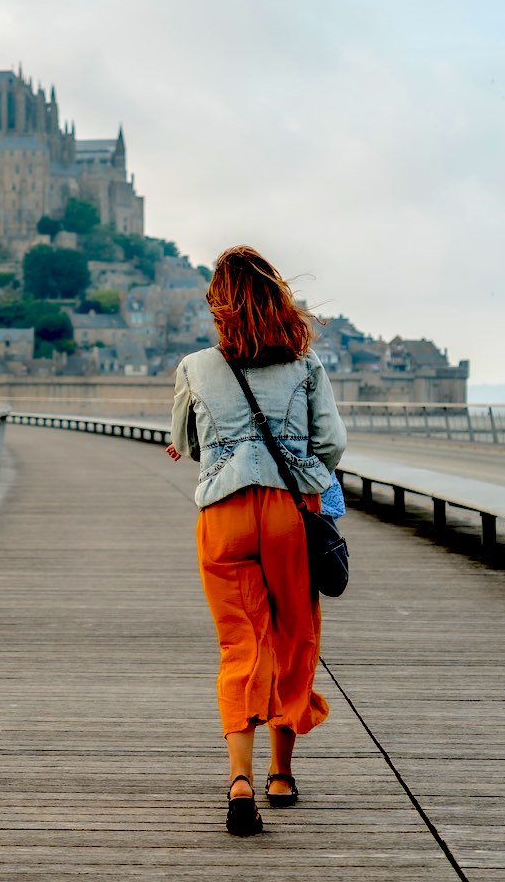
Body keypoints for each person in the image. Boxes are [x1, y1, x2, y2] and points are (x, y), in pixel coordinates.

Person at [164, 245, 346, 837]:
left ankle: (238, 780)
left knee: (240, 642)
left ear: (220, 305)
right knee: (294, 634)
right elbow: (331, 445)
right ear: (277, 301)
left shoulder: (195, 366)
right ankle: (280, 775)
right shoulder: (305, 367)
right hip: (290, 512)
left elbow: (186, 443)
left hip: (224, 511)